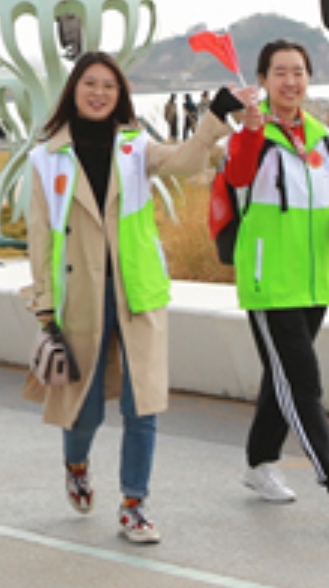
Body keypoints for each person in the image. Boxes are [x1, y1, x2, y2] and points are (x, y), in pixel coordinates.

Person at [22, 52, 239, 545]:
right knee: (86, 408)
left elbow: (184, 162)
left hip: (138, 292)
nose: (99, 93)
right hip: (78, 296)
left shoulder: (135, 147)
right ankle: (76, 463)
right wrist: (42, 303)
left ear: (120, 96)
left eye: (109, 86)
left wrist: (215, 118)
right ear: (74, 90)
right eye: (90, 84)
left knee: (143, 406)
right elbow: (39, 236)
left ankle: (134, 505)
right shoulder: (46, 158)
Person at [228, 40, 329, 522]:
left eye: (298, 72)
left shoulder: (321, 136)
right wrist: (251, 130)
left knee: (284, 379)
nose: (290, 81)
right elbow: (237, 174)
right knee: (302, 379)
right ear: (264, 81)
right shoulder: (251, 134)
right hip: (270, 281)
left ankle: (257, 463)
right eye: (280, 73)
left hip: (315, 280)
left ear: (308, 79)